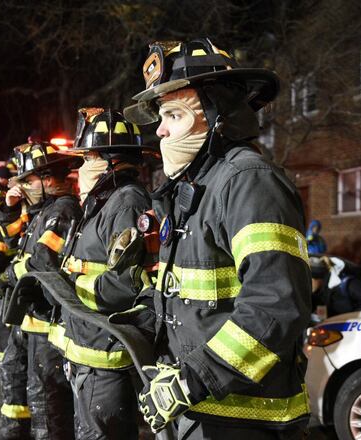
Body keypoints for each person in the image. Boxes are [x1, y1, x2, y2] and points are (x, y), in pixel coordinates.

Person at [123, 38, 312, 438]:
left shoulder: (249, 181)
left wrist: (192, 380)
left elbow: (275, 305)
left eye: (173, 114)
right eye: (162, 115)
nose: (160, 129)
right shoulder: (199, 185)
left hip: (246, 417)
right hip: (201, 410)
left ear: (217, 114)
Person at [48, 108, 156, 439]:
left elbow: (126, 284)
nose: (82, 167)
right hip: (89, 348)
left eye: (89, 157)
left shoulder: (127, 202)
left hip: (106, 355)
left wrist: (71, 286)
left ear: (110, 159)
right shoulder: (104, 202)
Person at [0, 142, 83, 440]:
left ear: (48, 179)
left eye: (29, 181)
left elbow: (43, 260)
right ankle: (14, 429)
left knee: (45, 396)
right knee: (15, 372)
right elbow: (12, 244)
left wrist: (10, 274)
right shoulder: (41, 212)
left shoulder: (63, 209)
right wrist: (9, 208)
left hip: (47, 321)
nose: (24, 188)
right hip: (30, 318)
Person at [0, 152, 33, 440]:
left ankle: (18, 425)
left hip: (22, 300)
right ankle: (15, 423)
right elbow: (8, 234)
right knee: (15, 361)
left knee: (17, 362)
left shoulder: (52, 213)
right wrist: (10, 208)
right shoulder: (26, 212)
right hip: (16, 298)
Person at [309, 255, 361, 320]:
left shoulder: (347, 283)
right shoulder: (320, 293)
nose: (306, 285)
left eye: (308, 280)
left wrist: (350, 319)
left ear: (318, 278)